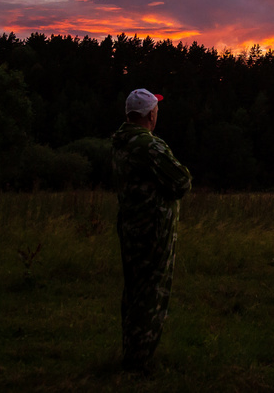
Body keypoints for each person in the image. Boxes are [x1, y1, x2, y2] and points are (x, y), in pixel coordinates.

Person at [112, 88, 192, 372]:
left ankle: (131, 353)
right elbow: (181, 182)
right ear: (150, 116)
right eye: (155, 110)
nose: (157, 114)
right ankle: (139, 362)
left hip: (132, 228)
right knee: (150, 296)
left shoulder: (121, 142)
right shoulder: (148, 146)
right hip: (153, 233)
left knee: (134, 292)